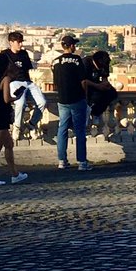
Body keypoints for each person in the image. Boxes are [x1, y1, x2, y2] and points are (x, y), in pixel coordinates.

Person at [0, 32, 30, 188]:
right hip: (1, 112)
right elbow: (6, 99)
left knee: (9, 144)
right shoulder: (6, 79)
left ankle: (15, 174)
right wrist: (18, 96)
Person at [52, 35, 91, 171]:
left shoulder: (55, 62)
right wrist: (85, 96)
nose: (75, 46)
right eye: (74, 44)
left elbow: (55, 83)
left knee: (62, 129)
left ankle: (62, 160)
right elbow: (83, 81)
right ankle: (82, 162)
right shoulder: (77, 60)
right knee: (79, 130)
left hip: (62, 99)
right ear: (71, 46)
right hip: (77, 98)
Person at [4, 31, 47, 139]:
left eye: (21, 42)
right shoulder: (4, 55)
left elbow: (28, 69)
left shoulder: (24, 54)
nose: (21, 44)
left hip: (28, 82)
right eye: (18, 42)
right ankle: (17, 127)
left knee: (42, 102)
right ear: (11, 42)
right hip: (14, 82)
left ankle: (31, 124)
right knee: (20, 103)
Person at [84, 50, 118, 121]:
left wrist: (105, 84)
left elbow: (104, 77)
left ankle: (97, 113)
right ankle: (92, 111)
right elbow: (84, 81)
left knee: (112, 93)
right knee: (96, 96)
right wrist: (98, 86)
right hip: (86, 85)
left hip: (97, 83)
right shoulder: (85, 63)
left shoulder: (104, 64)